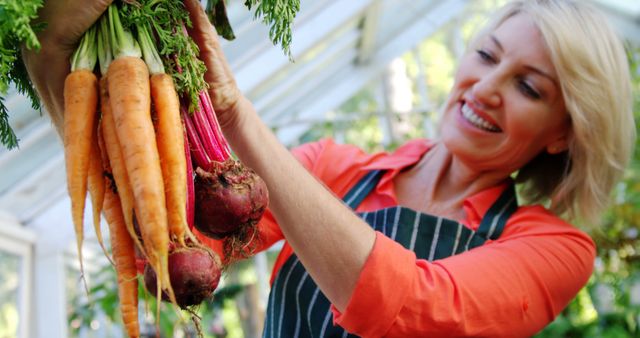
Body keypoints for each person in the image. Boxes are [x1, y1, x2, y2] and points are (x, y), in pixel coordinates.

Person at [24, 0, 636, 336]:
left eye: (528, 86)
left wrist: (236, 114)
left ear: (564, 132)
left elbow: (415, 312)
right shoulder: (335, 168)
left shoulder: (554, 247)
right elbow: (172, 254)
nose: (486, 89)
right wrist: (65, 77)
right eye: (485, 55)